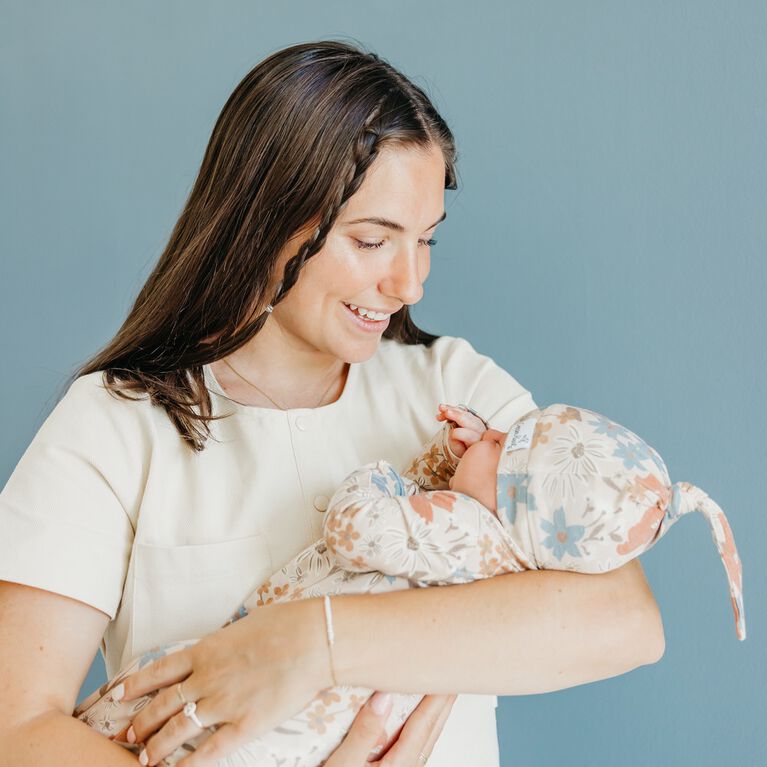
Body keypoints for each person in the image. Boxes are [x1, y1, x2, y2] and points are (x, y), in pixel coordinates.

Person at [0, 40, 665, 767]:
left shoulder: (458, 393)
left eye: (426, 240)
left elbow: (623, 620)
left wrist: (306, 644)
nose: (409, 283)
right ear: (260, 218)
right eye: (372, 240)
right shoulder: (114, 424)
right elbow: (16, 729)